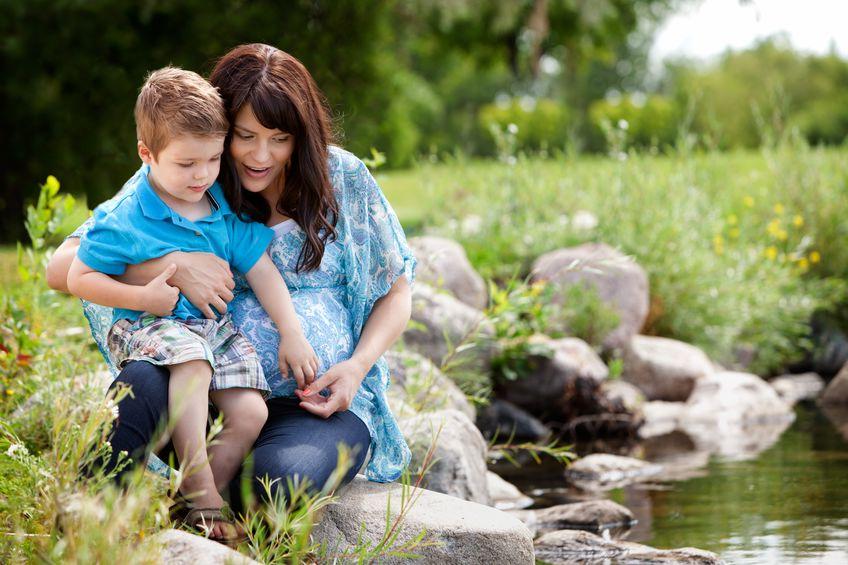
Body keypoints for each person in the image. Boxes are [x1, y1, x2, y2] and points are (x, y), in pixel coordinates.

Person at [46, 43, 415, 507]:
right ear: (221, 129)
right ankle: (89, 515)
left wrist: (356, 368)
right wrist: (175, 269)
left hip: (315, 406)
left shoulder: (342, 178)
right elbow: (63, 266)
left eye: (279, 138)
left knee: (276, 482)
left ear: (301, 134)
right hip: (202, 393)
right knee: (141, 385)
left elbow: (396, 291)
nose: (261, 155)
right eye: (245, 136)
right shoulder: (194, 174)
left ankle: (201, 500)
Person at [65, 67, 319, 541]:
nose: (202, 175)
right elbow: (78, 275)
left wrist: (292, 331)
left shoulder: (219, 203)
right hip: (148, 324)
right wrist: (141, 295)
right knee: (193, 364)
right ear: (146, 154)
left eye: (213, 160)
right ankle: (204, 495)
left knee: (250, 412)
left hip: (210, 330)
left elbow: (261, 267)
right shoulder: (125, 215)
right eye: (186, 164)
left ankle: (188, 502)